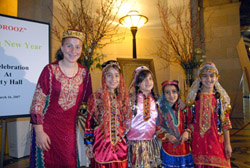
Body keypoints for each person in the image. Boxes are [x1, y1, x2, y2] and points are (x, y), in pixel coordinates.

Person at [29, 29, 92, 168]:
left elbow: (91, 104)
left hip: (69, 133)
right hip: (46, 131)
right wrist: (39, 132)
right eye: (69, 45)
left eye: (77, 47)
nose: (73, 50)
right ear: (62, 47)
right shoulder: (50, 70)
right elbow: (37, 103)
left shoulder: (84, 74)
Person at [84, 60, 132, 167]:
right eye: (109, 75)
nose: (113, 79)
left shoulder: (123, 98)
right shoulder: (96, 98)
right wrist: (89, 145)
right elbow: (89, 124)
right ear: (104, 77)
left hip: (120, 146)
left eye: (116, 75)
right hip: (101, 147)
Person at [186, 62, 232, 168]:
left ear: (217, 78)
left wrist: (227, 144)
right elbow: (189, 121)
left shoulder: (221, 100)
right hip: (198, 144)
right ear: (200, 78)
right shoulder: (193, 100)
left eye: (212, 76)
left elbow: (225, 123)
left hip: (217, 143)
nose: (209, 79)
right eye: (205, 76)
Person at [126, 66, 161, 168]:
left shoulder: (157, 100)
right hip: (134, 143)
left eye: (150, 78)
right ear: (137, 83)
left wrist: (181, 103)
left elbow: (170, 105)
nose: (148, 82)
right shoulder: (131, 99)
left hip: (150, 142)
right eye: (144, 79)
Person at [156, 80, 194, 168]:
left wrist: (187, 132)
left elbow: (191, 123)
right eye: (167, 92)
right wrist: (167, 135)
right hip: (168, 147)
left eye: (174, 92)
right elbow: (158, 126)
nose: (171, 95)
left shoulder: (184, 108)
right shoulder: (161, 110)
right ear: (163, 94)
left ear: (178, 92)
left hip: (184, 147)